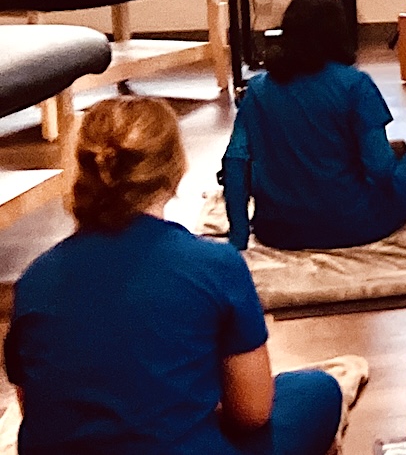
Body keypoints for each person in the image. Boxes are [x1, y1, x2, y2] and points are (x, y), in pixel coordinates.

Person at [4, 96, 345, 454]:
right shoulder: (214, 264)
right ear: (175, 170)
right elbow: (252, 413)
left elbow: (36, 409)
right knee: (316, 391)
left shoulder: (34, 281)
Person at [222, 0, 406, 250]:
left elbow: (235, 163)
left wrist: (238, 238)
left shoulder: (258, 89)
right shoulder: (355, 85)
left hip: (277, 231)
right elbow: (380, 171)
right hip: (354, 224)